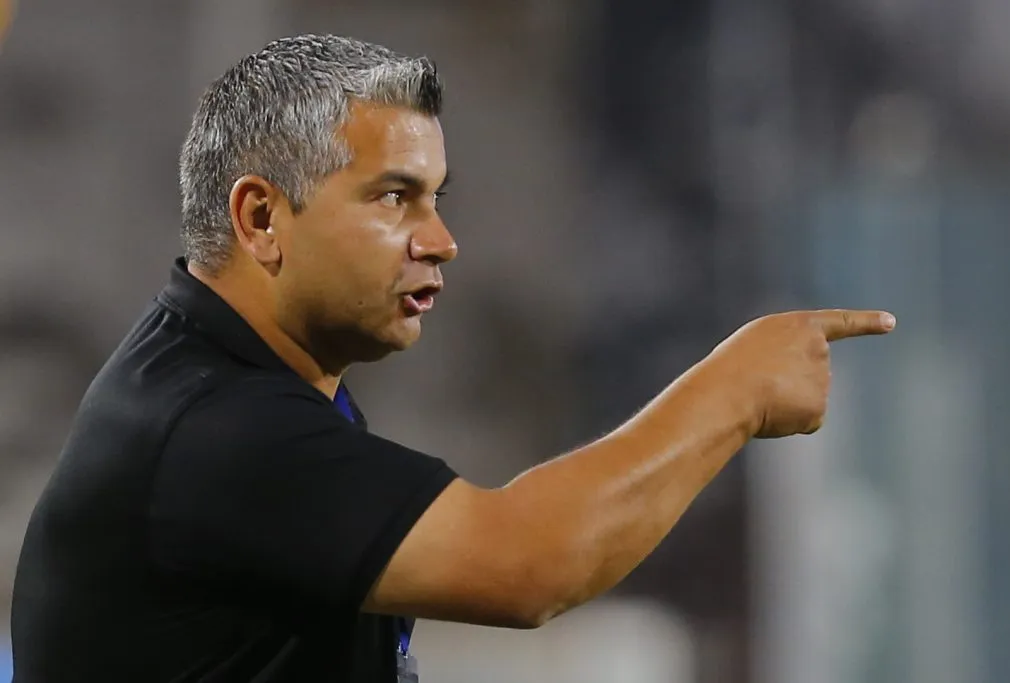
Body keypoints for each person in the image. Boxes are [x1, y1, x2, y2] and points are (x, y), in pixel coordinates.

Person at [9, 34, 895, 683]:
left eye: (435, 198)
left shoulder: (229, 379)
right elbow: (530, 564)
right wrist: (734, 387)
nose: (441, 239)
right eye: (394, 198)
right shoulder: (213, 431)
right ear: (262, 219)